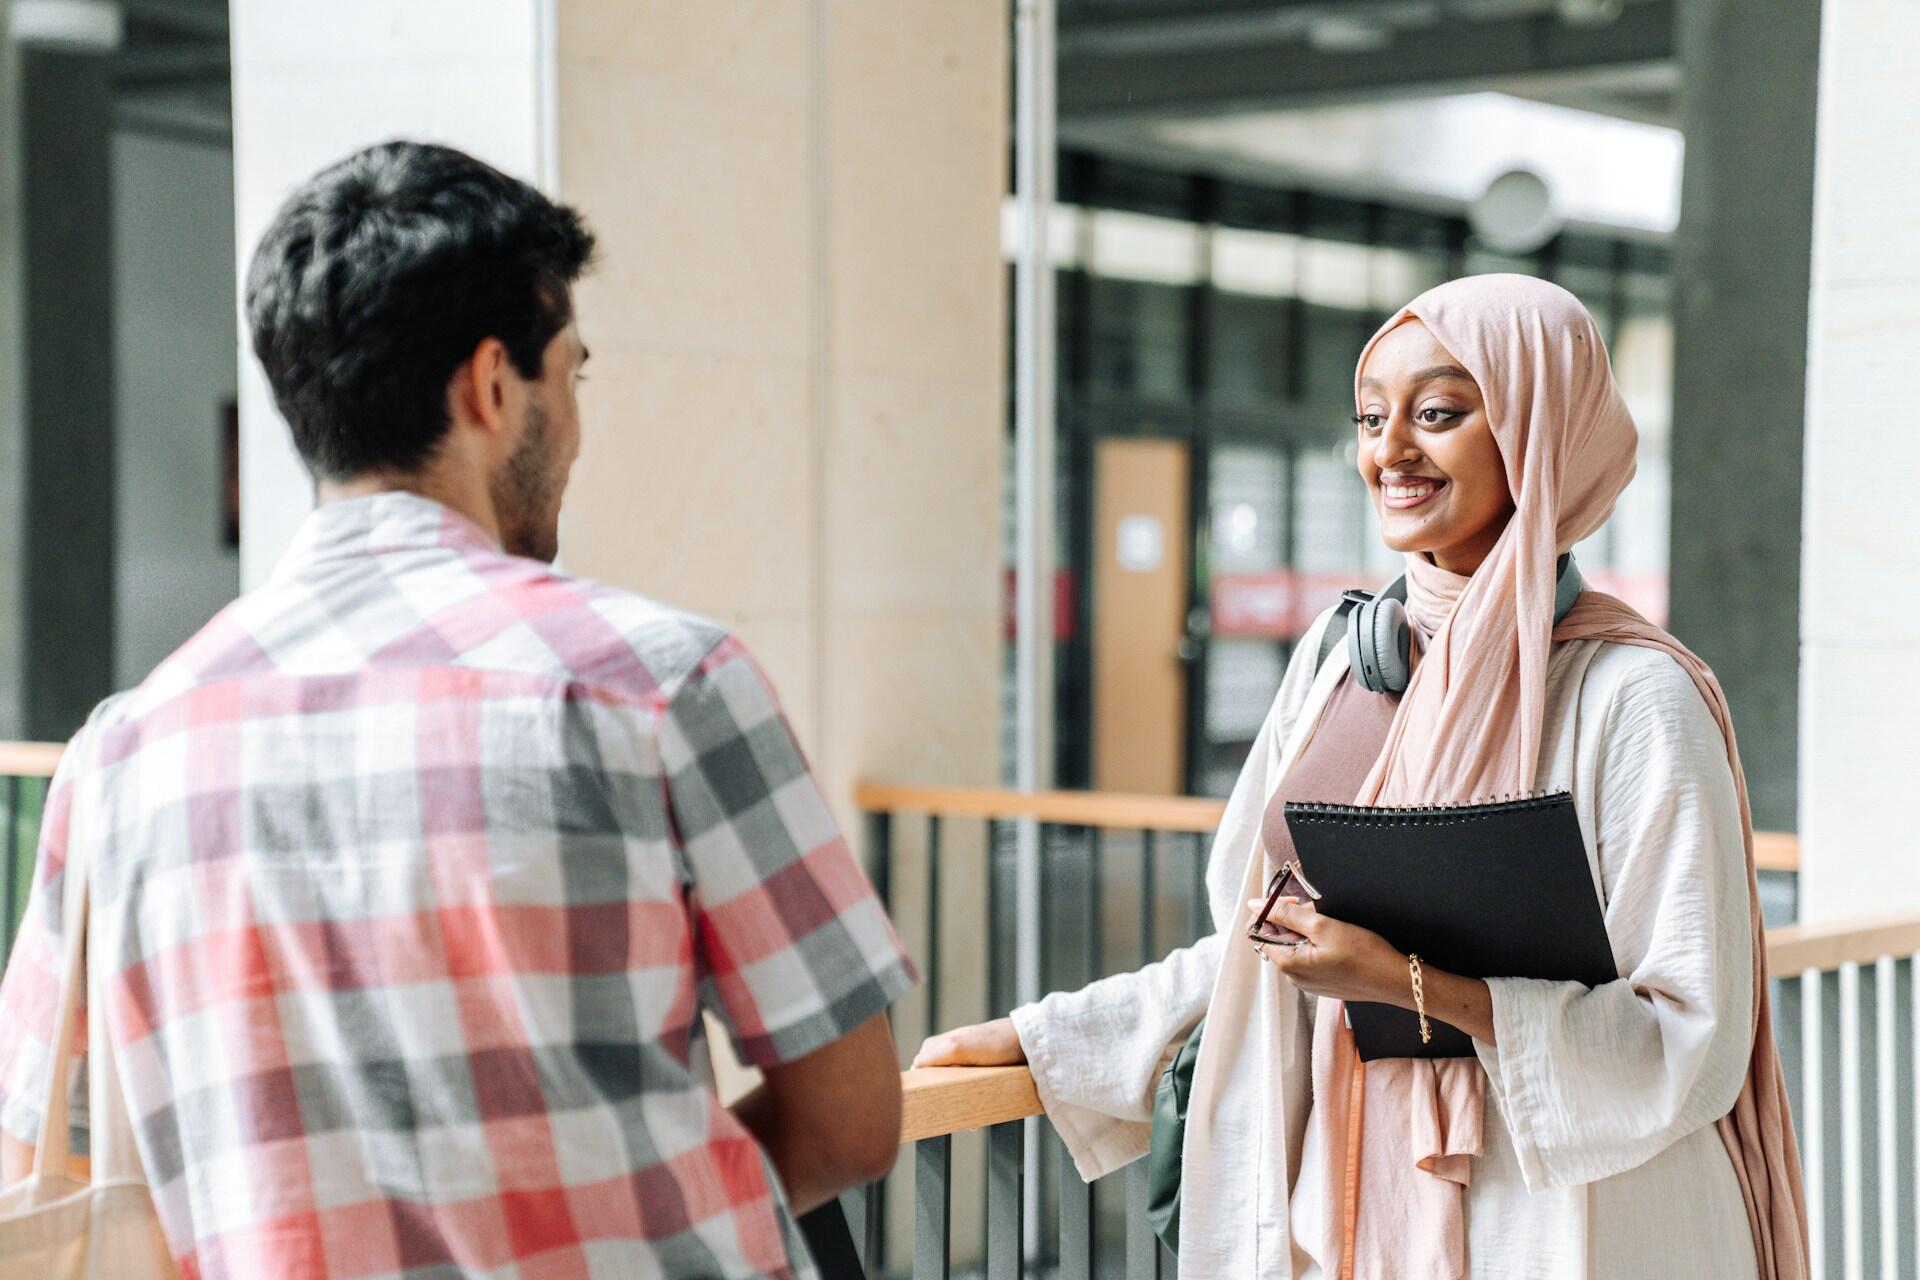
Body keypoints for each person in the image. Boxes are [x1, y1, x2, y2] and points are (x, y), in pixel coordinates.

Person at [0, 140, 915, 1280]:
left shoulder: (121, 754)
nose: (574, 427)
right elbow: (852, 1115)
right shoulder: (660, 683)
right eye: (570, 375)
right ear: (491, 386)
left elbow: (54, 1137)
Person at [916, 275, 1806, 1278]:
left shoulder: (1635, 695)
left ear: (1543, 426)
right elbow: (1267, 941)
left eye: (1438, 412)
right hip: (1361, 1192)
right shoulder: (1344, 661)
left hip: (1581, 1222)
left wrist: (1411, 986)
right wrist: (1048, 1037)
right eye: (1372, 417)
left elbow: (1691, 1034)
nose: (1391, 449)